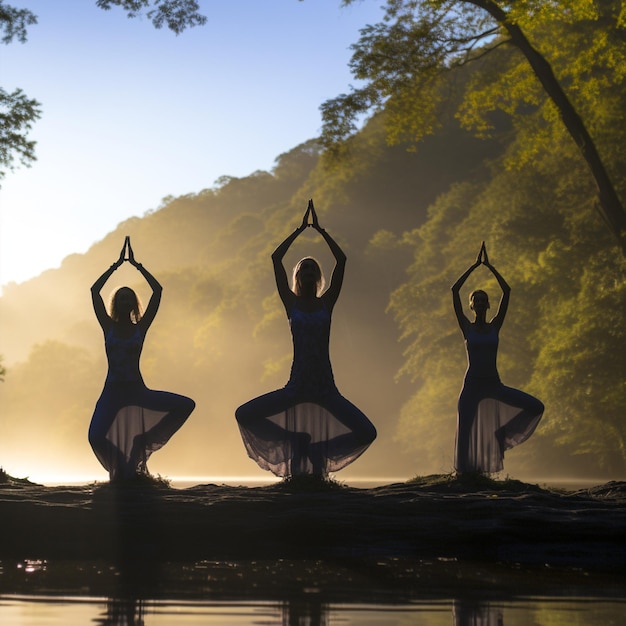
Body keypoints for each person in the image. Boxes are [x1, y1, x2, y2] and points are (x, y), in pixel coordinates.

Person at [235, 200, 377, 478]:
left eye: (313, 269)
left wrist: (322, 232)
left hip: (325, 386)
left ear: (319, 277)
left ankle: (318, 451)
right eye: (304, 270)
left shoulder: (328, 303)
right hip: (297, 385)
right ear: (297, 277)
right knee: (245, 414)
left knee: (367, 432)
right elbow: (276, 260)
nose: (309, 272)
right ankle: (295, 441)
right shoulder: (291, 304)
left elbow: (342, 261)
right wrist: (299, 230)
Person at [89, 237, 195, 481]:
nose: (125, 301)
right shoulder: (108, 326)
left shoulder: (141, 327)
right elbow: (94, 292)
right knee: (95, 436)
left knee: (185, 405)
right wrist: (115, 266)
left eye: (129, 298)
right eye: (121, 298)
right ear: (115, 303)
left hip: (137, 390)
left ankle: (140, 444)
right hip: (112, 391)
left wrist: (137, 265)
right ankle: (122, 467)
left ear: (134, 303)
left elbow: (158, 291)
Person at [451, 242, 543, 473]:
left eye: (484, 300)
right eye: (477, 300)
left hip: (493, 384)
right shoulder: (466, 327)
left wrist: (490, 267)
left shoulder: (495, 326)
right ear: (471, 305)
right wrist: (474, 266)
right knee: (465, 433)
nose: (480, 303)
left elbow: (507, 291)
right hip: (472, 386)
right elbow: (454, 290)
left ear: (488, 304)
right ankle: (464, 478)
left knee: (534, 406)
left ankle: (498, 434)